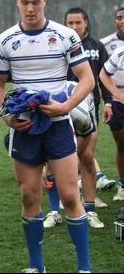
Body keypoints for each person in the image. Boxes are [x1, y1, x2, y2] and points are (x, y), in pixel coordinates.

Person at [0, 0, 94, 273]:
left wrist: (65, 106)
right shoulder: (4, 40)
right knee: (28, 195)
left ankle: (84, 268)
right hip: (23, 129)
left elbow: (86, 78)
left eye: (36, 2)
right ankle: (37, 267)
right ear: (17, 2)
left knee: (69, 195)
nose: (30, 8)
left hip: (59, 125)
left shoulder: (65, 35)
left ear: (45, 1)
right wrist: (7, 116)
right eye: (25, 3)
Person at [65, 7, 115, 193]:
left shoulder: (97, 46)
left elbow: (104, 76)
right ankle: (69, 192)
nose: (74, 26)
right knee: (68, 151)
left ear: (86, 23)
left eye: (78, 22)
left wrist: (108, 102)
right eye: (70, 23)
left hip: (90, 107)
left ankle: (88, 195)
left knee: (86, 153)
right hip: (64, 107)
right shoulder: (60, 45)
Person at [44, 81, 105, 229]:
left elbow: (84, 137)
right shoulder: (43, 111)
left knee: (86, 157)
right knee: (53, 159)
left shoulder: (80, 116)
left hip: (84, 115)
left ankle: (90, 211)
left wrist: (66, 162)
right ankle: (54, 211)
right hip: (56, 115)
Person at [100, 8, 124, 202]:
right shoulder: (107, 45)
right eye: (119, 17)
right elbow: (101, 72)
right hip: (117, 102)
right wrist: (114, 95)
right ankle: (123, 185)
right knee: (121, 144)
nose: (122, 21)